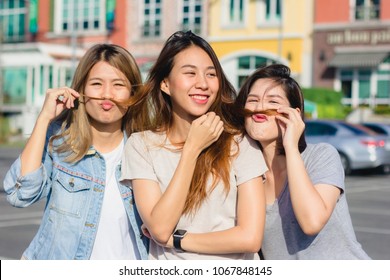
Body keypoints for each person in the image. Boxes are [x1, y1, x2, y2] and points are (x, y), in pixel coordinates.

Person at [120, 30, 268, 260]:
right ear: (166, 85)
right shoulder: (142, 145)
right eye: (190, 73)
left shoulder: (240, 143)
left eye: (211, 74)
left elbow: (250, 238)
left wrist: (176, 240)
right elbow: (159, 227)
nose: (203, 84)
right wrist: (192, 149)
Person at [3, 44, 148, 260]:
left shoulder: (147, 149)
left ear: (133, 93)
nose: (107, 94)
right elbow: (20, 194)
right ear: (80, 90)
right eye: (96, 84)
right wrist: (44, 119)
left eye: (118, 84)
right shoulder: (60, 141)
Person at [233, 64, 371, 259]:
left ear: (294, 114)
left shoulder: (321, 156)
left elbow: (312, 221)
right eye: (253, 100)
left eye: (273, 101)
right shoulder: (246, 174)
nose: (259, 107)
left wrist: (291, 146)